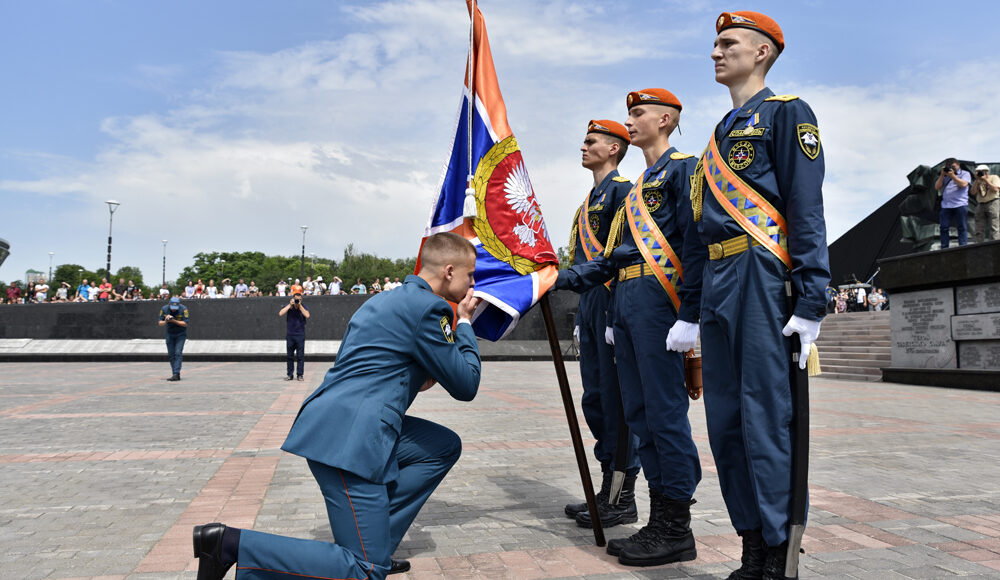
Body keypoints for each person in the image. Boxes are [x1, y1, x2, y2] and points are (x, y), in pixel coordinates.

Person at [192, 232, 482, 580]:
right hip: (353, 437)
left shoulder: (381, 301)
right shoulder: (430, 308)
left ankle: (377, 541)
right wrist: (464, 323)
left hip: (339, 420)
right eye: (470, 274)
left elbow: (386, 366)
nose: (473, 284)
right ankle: (230, 544)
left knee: (441, 446)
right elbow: (466, 385)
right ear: (449, 271)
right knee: (366, 570)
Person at [692, 12, 831, 579]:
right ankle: (750, 541)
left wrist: (812, 297)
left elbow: (805, 207)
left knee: (765, 417)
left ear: (763, 53)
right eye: (715, 43)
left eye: (728, 43)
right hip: (718, 282)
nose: (716, 53)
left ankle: (779, 551)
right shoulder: (720, 133)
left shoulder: (787, 114)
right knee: (724, 421)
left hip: (760, 277)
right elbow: (700, 229)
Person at [556, 90, 706, 567]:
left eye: (638, 114)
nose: (631, 121)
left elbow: (696, 241)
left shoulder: (685, 169)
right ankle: (658, 520)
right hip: (628, 308)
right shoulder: (640, 186)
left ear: (665, 120)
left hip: (661, 307)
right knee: (640, 415)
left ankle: (674, 524)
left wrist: (691, 313)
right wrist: (554, 280)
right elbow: (613, 259)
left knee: (664, 416)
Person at [559, 119, 641, 530]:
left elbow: (616, 259)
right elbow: (580, 262)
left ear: (613, 148)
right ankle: (606, 489)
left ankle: (621, 498)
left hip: (612, 304)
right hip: (591, 307)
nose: (583, 146)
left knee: (617, 404)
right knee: (596, 401)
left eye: (591, 141)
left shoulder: (624, 193)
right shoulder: (586, 203)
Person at [935, 158, 972, 248]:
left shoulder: (965, 173)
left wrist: (953, 176)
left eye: (953, 166)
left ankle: (963, 247)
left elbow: (963, 185)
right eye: (949, 166)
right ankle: (944, 247)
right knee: (944, 228)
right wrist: (942, 175)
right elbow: (937, 187)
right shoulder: (945, 176)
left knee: (961, 227)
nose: (951, 168)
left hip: (960, 204)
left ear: (958, 165)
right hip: (946, 206)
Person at [278, 291, 311, 381]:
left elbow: (307, 315)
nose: (297, 301)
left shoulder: (303, 306)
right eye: (296, 299)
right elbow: (280, 313)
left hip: (300, 335)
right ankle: (290, 375)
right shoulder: (289, 306)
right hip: (290, 335)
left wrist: (299, 306)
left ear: (301, 300)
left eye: (299, 299)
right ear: (293, 298)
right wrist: (289, 305)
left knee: (300, 356)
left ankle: (300, 375)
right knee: (289, 356)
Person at [158, 296, 189, 381]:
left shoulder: (184, 309)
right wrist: (166, 321)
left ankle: (176, 373)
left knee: (178, 353)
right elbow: (159, 323)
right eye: (172, 308)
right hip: (170, 334)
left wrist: (174, 320)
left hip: (180, 334)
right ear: (169, 304)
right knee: (171, 354)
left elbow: (185, 323)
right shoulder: (164, 309)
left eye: (176, 308)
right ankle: (175, 373)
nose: (174, 310)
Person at [971, 164, 1000, 242]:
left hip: (993, 202)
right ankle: (978, 245)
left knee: (994, 226)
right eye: (977, 172)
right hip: (981, 204)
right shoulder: (977, 181)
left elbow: (995, 189)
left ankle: (995, 246)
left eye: (981, 171)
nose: (979, 173)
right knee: (978, 227)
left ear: (987, 171)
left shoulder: (994, 177)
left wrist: (986, 180)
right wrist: (977, 181)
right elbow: (973, 192)